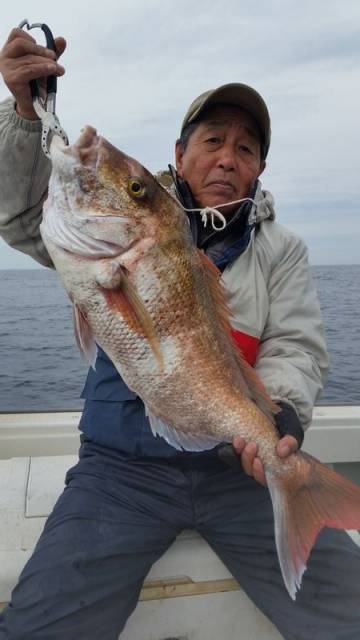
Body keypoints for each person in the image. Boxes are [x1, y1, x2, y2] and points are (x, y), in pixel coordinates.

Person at [0, 27, 359, 640]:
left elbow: (296, 347)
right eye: (213, 140)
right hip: (120, 471)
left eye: (246, 149)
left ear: (260, 168)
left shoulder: (283, 250)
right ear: (180, 150)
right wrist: (25, 117)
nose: (228, 157)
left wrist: (283, 422)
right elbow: (16, 210)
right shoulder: (100, 229)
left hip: (234, 472)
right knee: (41, 626)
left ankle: (300, 492)